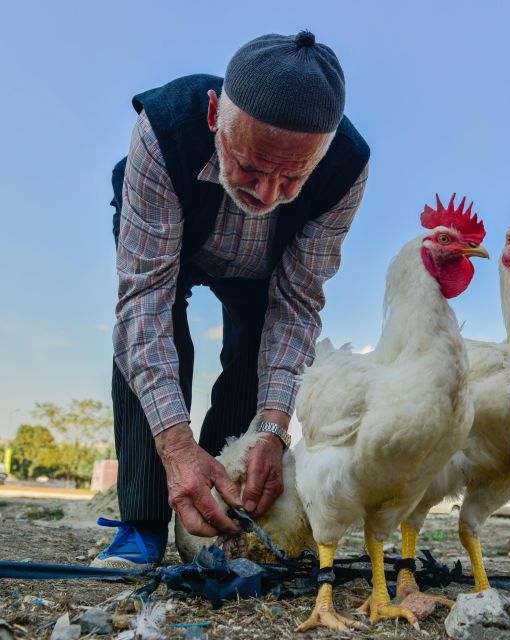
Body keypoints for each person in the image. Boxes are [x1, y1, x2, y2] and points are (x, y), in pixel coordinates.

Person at [92, 30, 370, 569]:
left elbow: (296, 305)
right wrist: (175, 448)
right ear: (216, 114)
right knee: (149, 335)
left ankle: (223, 514)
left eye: (292, 176)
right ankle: (142, 523)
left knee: (255, 361)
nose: (265, 194)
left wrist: (272, 428)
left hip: (268, 266)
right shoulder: (162, 131)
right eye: (250, 166)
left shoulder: (345, 167)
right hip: (173, 234)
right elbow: (144, 302)